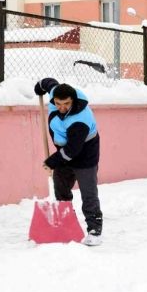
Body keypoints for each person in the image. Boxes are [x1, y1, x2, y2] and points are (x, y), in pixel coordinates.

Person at [34, 78, 103, 246]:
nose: (62, 107)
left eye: (66, 103)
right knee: (60, 186)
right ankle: (66, 222)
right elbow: (50, 83)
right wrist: (40, 86)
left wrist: (52, 161)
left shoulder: (81, 119)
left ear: (73, 100)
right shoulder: (55, 95)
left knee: (88, 194)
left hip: (85, 156)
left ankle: (94, 230)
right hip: (64, 154)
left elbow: (73, 149)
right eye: (58, 103)